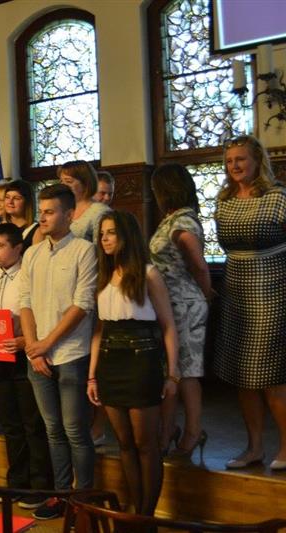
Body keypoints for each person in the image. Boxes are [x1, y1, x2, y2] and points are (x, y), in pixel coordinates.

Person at [88, 211, 179, 515]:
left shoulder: (148, 274)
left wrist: (173, 374)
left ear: (127, 235)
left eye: (111, 233)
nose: (105, 239)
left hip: (141, 362)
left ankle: (146, 515)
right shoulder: (103, 275)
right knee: (124, 443)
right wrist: (92, 376)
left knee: (145, 444)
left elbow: (168, 325)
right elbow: (99, 330)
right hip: (110, 362)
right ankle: (135, 511)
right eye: (102, 234)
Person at [18, 184, 97, 520]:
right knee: (53, 430)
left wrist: (47, 343)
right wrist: (34, 348)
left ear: (69, 214)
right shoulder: (32, 253)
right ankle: (61, 495)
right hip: (38, 356)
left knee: (75, 430)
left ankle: (83, 498)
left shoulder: (84, 250)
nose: (43, 217)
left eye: (50, 212)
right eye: (41, 211)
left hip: (71, 353)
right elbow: (24, 301)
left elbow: (82, 304)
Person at [213, 135, 286, 471]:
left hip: (272, 291)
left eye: (240, 159)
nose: (234, 166)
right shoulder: (224, 200)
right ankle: (254, 447)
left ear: (257, 160)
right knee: (243, 376)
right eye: (229, 161)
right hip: (236, 295)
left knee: (272, 375)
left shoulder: (277, 196)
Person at [0, 223, 53, 509]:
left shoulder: (28, 275)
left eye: (0, 246)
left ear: (18, 248)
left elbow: (42, 315)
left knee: (32, 423)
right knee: (10, 424)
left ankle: (40, 486)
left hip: (23, 357)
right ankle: (17, 482)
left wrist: (25, 341)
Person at [150, 164, 212, 458]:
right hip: (169, 304)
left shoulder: (183, 222)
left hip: (185, 304)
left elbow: (198, 265)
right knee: (171, 372)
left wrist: (206, 294)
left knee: (187, 373)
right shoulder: (172, 218)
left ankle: (192, 432)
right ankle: (167, 431)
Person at [59, 160, 111, 243]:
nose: (62, 186)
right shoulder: (62, 207)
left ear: (85, 183)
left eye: (68, 181)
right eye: (61, 181)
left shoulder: (100, 212)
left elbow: (102, 245)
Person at [3, 180, 43, 249]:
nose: (10, 202)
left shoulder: (37, 231)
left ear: (27, 202)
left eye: (16, 198)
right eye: (7, 197)